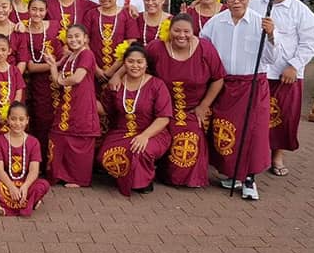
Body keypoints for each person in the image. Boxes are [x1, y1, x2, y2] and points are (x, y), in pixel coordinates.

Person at [200, 0, 280, 201]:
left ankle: (249, 178)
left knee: (253, 132)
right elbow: (203, 48)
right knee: (225, 130)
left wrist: (272, 35)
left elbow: (272, 58)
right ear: (225, 0)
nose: (236, 2)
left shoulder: (261, 22)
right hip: (225, 85)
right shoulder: (216, 23)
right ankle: (232, 173)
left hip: (253, 84)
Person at [250, 0, 314, 176]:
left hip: (286, 73)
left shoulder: (301, 11)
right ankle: (254, 156)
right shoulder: (254, 4)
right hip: (258, 72)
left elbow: (311, 43)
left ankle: (277, 157)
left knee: (283, 117)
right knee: (255, 116)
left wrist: (294, 65)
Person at [146, 13, 225, 188]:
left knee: (189, 141)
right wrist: (117, 76)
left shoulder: (205, 49)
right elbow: (136, 60)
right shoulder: (156, 48)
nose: (182, 35)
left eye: (186, 31)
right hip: (163, 110)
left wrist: (204, 106)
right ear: (169, 30)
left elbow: (218, 78)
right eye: (177, 30)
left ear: (193, 32)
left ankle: (189, 178)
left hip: (193, 110)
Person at [97, 43, 172, 196]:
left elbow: (164, 118)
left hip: (152, 132)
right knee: (104, 155)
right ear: (124, 64)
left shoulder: (157, 85)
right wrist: (83, 98)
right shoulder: (116, 84)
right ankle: (129, 175)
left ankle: (143, 181)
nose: (135, 65)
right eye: (130, 61)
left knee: (139, 151)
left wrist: (145, 136)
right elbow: (105, 109)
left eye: (140, 62)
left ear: (146, 64)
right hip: (122, 132)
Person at [43, 24, 100, 188]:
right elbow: (57, 80)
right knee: (59, 137)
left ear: (85, 38)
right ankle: (60, 174)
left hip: (82, 104)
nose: (73, 40)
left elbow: (76, 78)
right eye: (70, 37)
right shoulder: (70, 57)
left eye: (77, 36)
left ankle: (78, 179)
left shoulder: (87, 54)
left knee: (80, 140)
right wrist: (53, 64)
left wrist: (61, 80)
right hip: (67, 103)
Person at [17, 0, 61, 164]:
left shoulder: (55, 26)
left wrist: (56, 66)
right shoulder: (23, 32)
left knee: (55, 121)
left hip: (57, 84)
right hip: (36, 85)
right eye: (33, 9)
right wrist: (54, 64)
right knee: (39, 121)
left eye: (41, 10)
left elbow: (66, 51)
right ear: (28, 10)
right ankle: (39, 162)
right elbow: (31, 67)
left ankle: (55, 163)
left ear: (46, 11)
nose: (37, 13)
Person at [0, 102, 50, 216]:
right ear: (7, 119)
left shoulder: (33, 142)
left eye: (21, 119)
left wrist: (25, 186)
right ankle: (29, 203)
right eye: (13, 119)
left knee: (43, 185)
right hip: (7, 184)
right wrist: (11, 187)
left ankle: (5, 205)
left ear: (27, 120)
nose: (17, 123)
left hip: (26, 184)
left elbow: (34, 170)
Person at [85, 0, 141, 81]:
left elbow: (131, 44)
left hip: (120, 72)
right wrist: (96, 69)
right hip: (93, 70)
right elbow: (84, 42)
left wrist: (112, 71)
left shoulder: (126, 15)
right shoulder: (91, 14)